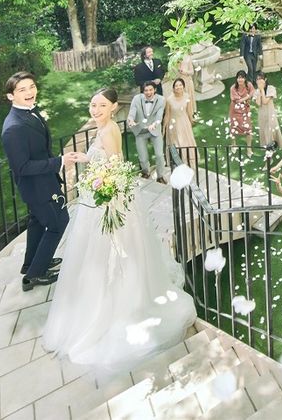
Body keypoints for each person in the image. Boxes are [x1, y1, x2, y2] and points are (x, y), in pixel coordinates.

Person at [42, 88, 196, 371]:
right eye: (92, 105)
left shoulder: (110, 130)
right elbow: (104, 160)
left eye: (101, 105)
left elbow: (115, 166)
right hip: (99, 195)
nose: (95, 110)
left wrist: (106, 192)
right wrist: (85, 158)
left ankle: (118, 306)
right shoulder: (102, 128)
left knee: (113, 254)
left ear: (113, 107)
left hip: (109, 199)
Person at [1, 72, 79, 292]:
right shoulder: (13, 127)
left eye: (32, 86)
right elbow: (22, 167)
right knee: (58, 223)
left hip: (44, 181)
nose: (30, 92)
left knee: (37, 222)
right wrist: (59, 162)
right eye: (22, 89)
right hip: (37, 188)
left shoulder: (28, 112)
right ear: (10, 96)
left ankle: (31, 263)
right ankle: (34, 275)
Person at [127, 82, 167, 182]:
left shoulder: (161, 99)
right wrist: (130, 120)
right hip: (140, 131)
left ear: (155, 90)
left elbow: (159, 115)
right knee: (143, 157)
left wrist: (154, 124)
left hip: (154, 130)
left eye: (150, 90)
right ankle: (146, 172)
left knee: (159, 155)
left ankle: (160, 176)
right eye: (146, 90)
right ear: (143, 91)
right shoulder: (136, 98)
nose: (148, 92)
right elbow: (132, 111)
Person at [163, 78, 198, 169]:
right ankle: (178, 163)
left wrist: (191, 120)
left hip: (184, 123)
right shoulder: (169, 100)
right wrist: (164, 128)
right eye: (176, 86)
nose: (178, 87)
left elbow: (189, 111)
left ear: (183, 86)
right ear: (173, 88)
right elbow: (167, 115)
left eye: (180, 85)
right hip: (173, 125)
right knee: (176, 144)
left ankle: (188, 162)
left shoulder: (187, 97)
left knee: (186, 143)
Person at [254, 72, 282, 150]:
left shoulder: (271, 88)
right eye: (257, 79)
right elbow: (258, 103)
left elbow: (265, 101)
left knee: (271, 130)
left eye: (261, 79)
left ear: (265, 79)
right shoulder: (256, 91)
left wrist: (262, 90)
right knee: (264, 130)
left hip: (270, 113)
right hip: (262, 114)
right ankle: (267, 148)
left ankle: (272, 148)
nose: (259, 81)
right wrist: (259, 91)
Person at [228, 70, 254, 158]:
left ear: (245, 78)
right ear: (236, 79)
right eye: (239, 78)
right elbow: (237, 100)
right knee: (233, 128)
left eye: (242, 78)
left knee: (248, 129)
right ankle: (233, 144)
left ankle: (249, 148)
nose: (240, 80)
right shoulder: (233, 88)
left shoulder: (249, 85)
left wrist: (247, 97)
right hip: (235, 110)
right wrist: (247, 97)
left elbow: (252, 92)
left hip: (245, 110)